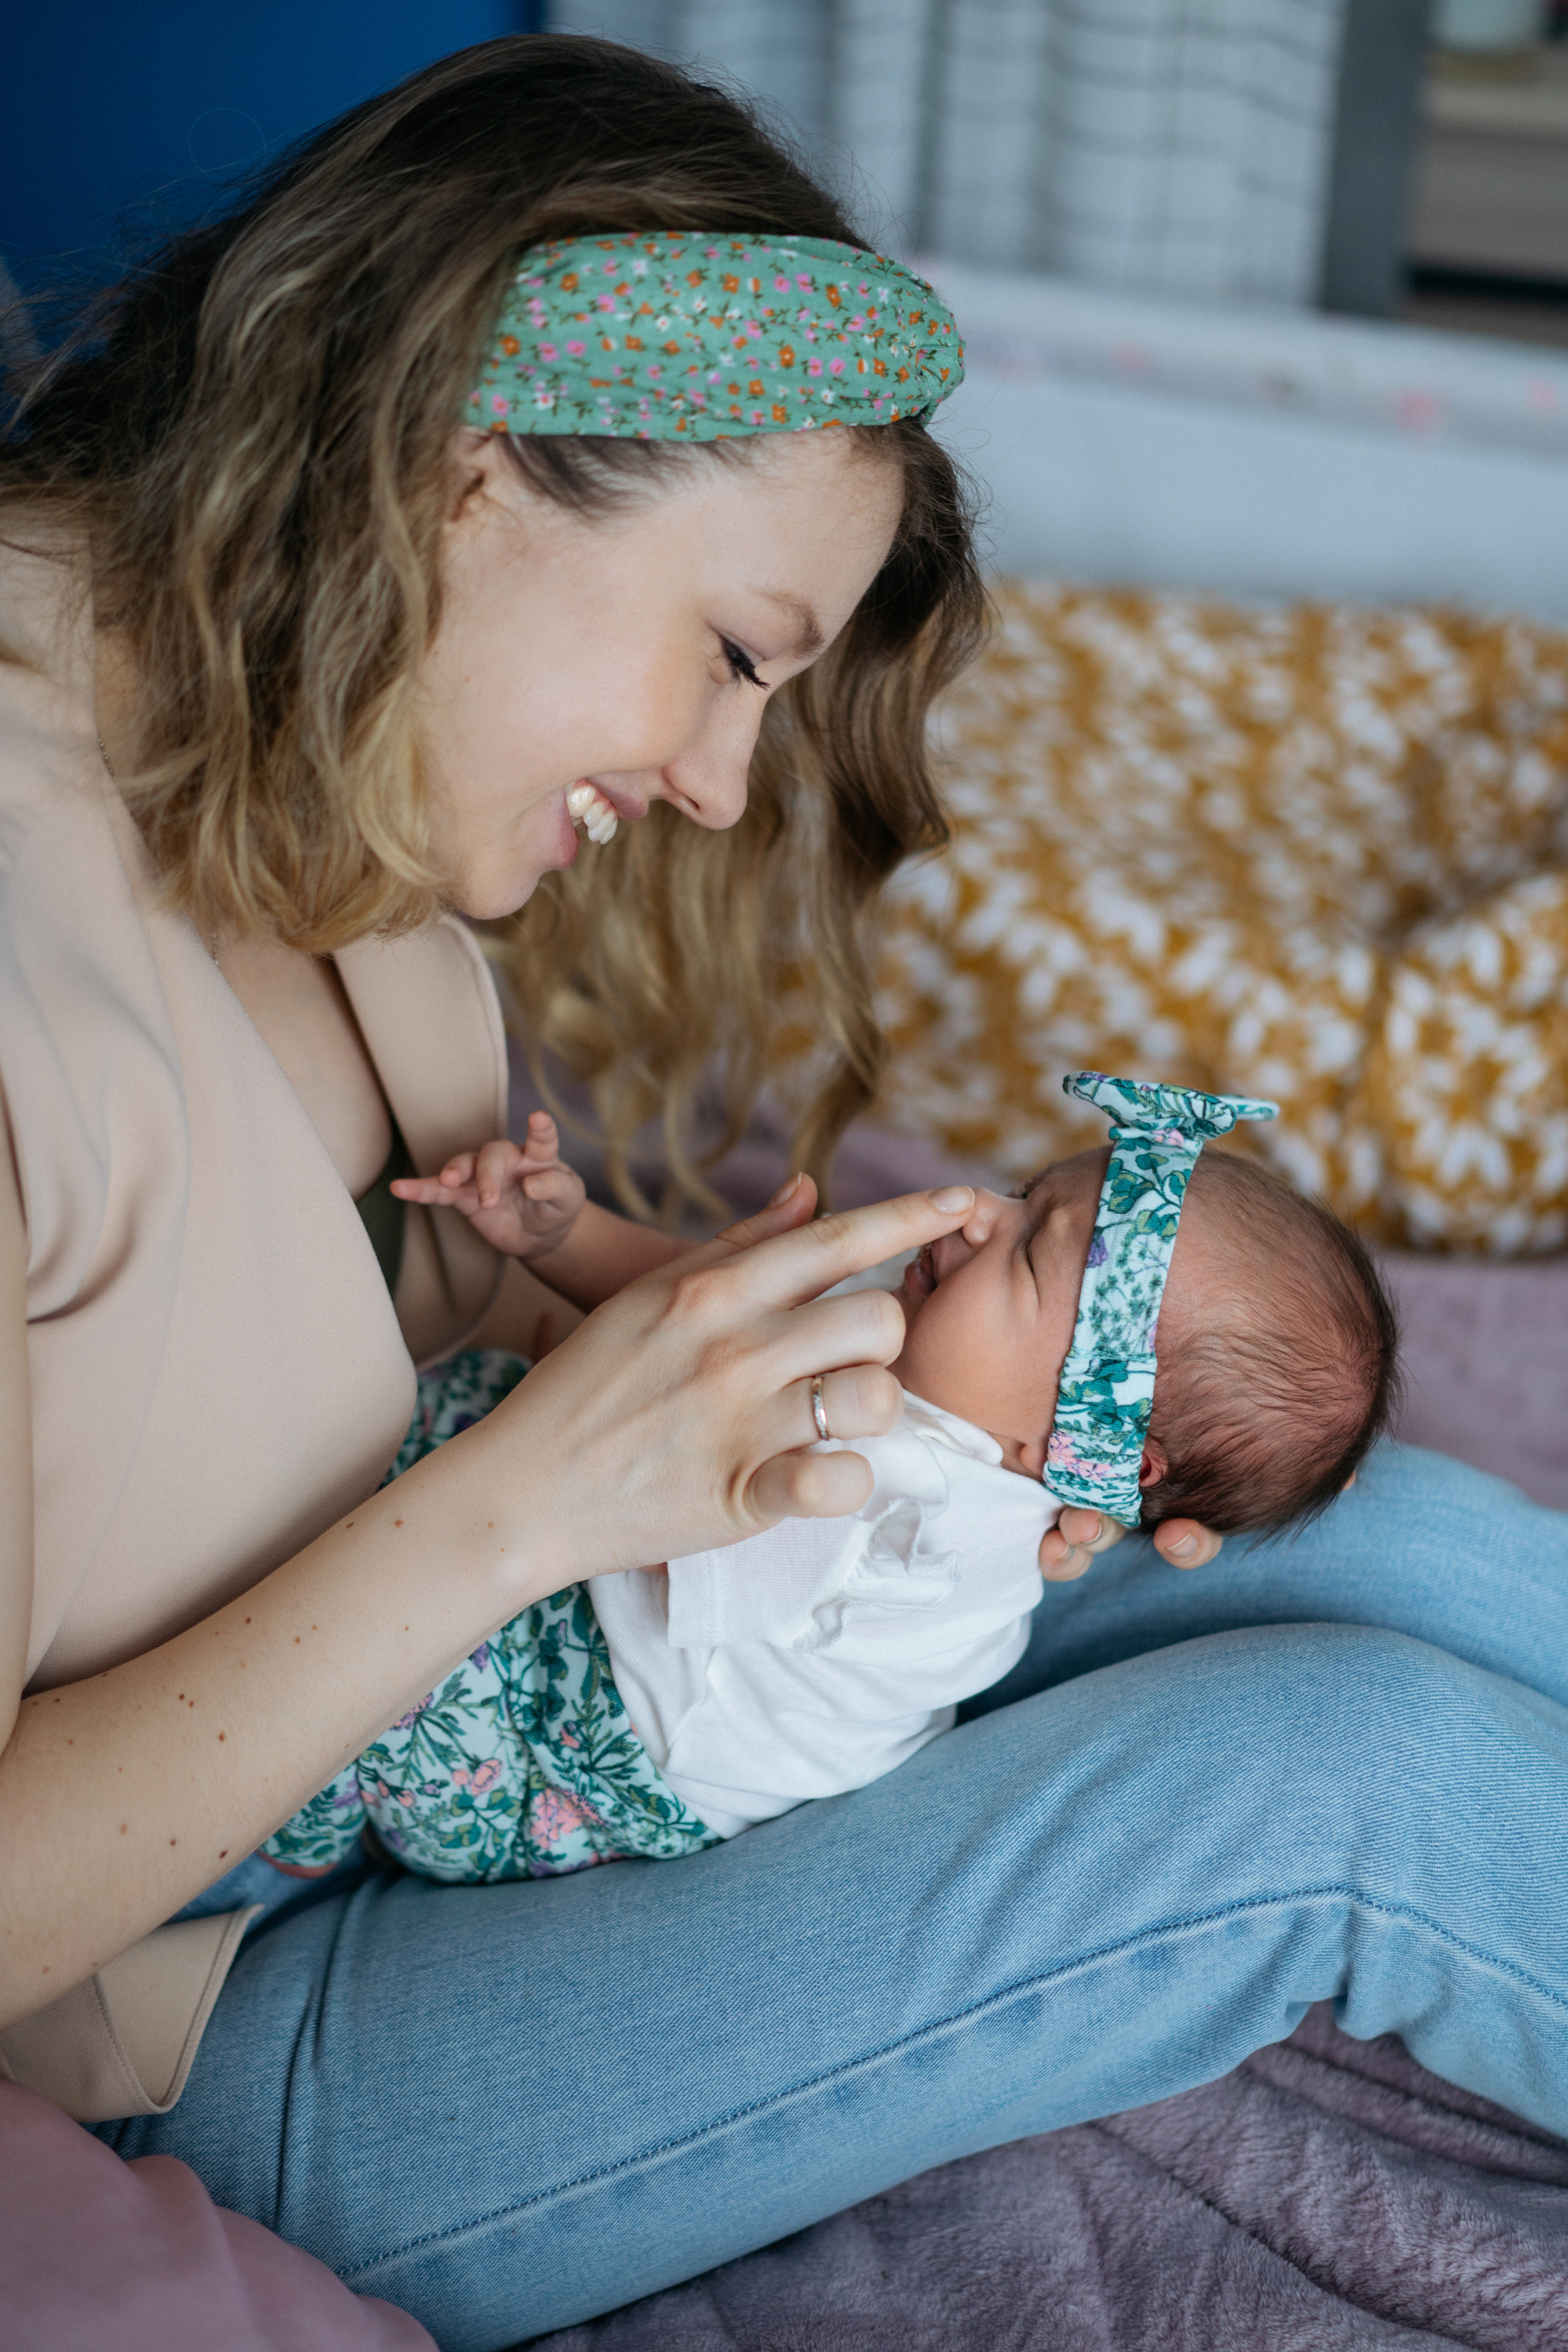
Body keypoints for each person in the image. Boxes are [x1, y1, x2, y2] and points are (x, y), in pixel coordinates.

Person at [1, 36, 1565, 2352]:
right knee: (1372, 1793)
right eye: (734, 656)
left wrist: (629, 1347)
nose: (729, 785)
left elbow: (420, 1320)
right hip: (227, 1996)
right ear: (462, 467)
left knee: (1384, 1531)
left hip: (586, 1684)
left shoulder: (290, 753)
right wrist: (524, 1505)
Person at [260, 1075, 1397, 1883]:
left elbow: (657, 1485)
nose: (968, 1213)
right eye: (1018, 1190)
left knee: (337, 1683)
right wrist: (563, 1234)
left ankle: (262, 1837)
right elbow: (706, 1312)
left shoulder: (903, 1510)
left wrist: (584, 1376)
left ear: (1095, 1436)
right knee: (388, 1446)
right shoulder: (938, 1384)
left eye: (1026, 1251)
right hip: (582, 1607)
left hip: (566, 1726)